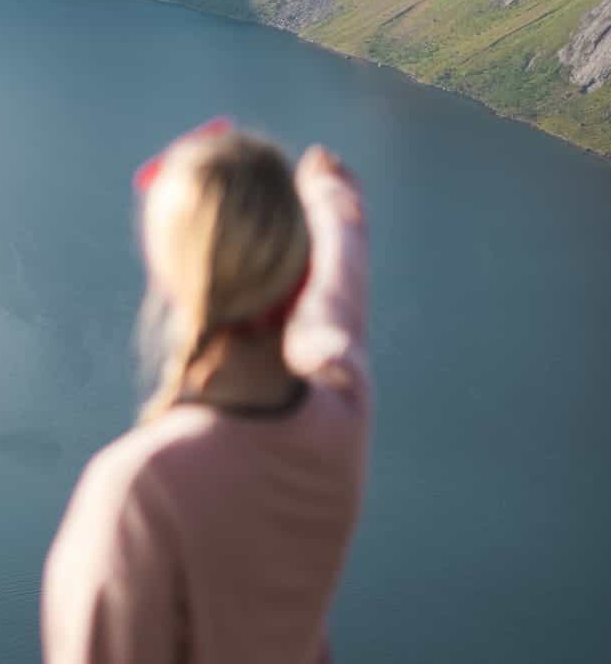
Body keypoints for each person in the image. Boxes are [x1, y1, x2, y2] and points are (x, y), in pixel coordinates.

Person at [42, 121, 371, 663]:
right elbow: (336, 294)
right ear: (297, 270)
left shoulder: (141, 487)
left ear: (171, 277)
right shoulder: (340, 407)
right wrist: (328, 198)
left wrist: (322, 201)